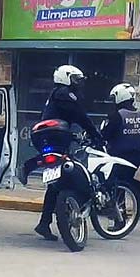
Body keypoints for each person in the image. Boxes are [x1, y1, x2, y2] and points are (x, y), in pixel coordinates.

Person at [34, 64, 104, 241]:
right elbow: (80, 115)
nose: (78, 83)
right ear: (64, 78)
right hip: (56, 140)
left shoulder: (54, 95)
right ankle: (68, 211)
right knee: (73, 174)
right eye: (75, 79)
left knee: (54, 184)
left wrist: (74, 135)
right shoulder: (64, 94)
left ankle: (44, 223)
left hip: (50, 141)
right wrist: (96, 135)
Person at [101, 83, 140, 167]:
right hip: (137, 158)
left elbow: (105, 135)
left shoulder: (118, 116)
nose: (113, 102)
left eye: (114, 98)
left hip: (118, 158)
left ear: (121, 96)